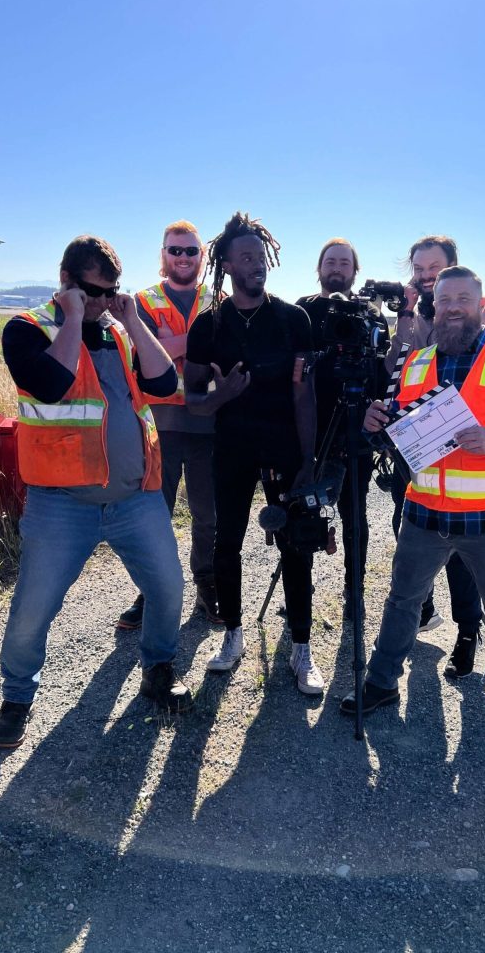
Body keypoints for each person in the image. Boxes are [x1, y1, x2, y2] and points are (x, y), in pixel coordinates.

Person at [342, 266, 485, 749]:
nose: (453, 308)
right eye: (445, 300)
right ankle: (381, 684)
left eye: (463, 298)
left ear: (481, 304)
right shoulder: (416, 362)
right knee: (402, 603)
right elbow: (394, 435)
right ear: (434, 306)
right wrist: (374, 421)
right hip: (425, 514)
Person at [0, 236, 191, 750]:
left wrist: (133, 320)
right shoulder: (28, 330)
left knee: (168, 587)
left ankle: (158, 668)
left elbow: (165, 385)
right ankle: (17, 698)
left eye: (112, 292)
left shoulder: (120, 331)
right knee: (33, 609)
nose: (105, 302)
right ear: (67, 284)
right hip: (61, 504)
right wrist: (73, 316)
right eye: (94, 292)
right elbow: (52, 385)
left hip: (134, 497)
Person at [183, 211, 324, 695]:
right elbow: (194, 400)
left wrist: (307, 459)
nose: (256, 264)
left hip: (284, 448)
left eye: (260, 256)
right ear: (225, 262)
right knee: (228, 543)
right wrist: (222, 396)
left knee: (297, 543)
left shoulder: (293, 320)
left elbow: (303, 394)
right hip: (233, 449)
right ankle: (233, 636)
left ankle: (301, 650)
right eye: (245, 257)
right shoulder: (208, 327)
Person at [388, 235, 485, 678]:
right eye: (419, 269)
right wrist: (406, 316)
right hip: (416, 442)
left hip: (463, 445)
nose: (426, 275)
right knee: (410, 527)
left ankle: (467, 631)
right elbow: (397, 370)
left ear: (452, 267)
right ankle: (422, 608)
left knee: (459, 549)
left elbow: (467, 358)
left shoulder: (475, 309)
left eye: (435, 267)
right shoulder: (413, 312)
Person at [118, 220, 221, 630]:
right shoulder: (142, 301)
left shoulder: (219, 300)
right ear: (163, 254)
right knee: (153, 515)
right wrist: (190, 345)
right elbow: (136, 356)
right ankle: (151, 591)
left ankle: (206, 586)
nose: (182, 257)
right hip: (157, 428)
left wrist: (167, 342)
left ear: (202, 256)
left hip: (209, 426)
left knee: (207, 515)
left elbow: (227, 357)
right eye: (174, 250)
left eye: (190, 251)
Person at [296, 238, 389, 619]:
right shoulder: (302, 310)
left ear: (355, 270)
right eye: (330, 262)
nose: (337, 268)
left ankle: (355, 589)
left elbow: (381, 370)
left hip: (356, 422)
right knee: (304, 507)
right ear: (319, 267)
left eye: (344, 263)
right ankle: (299, 588)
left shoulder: (371, 314)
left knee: (355, 510)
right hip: (311, 425)